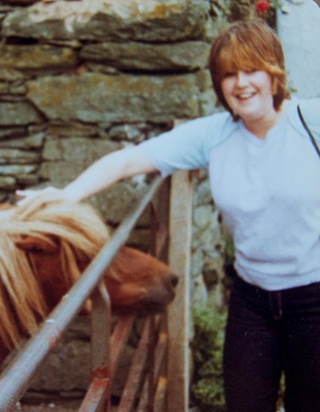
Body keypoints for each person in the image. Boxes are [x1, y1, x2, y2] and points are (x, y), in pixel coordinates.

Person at [17, 20, 320, 412]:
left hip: (314, 300)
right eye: (229, 74)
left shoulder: (309, 122)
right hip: (253, 302)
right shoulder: (215, 134)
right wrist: (66, 195)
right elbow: (129, 160)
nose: (241, 83)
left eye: (251, 69)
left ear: (274, 71)